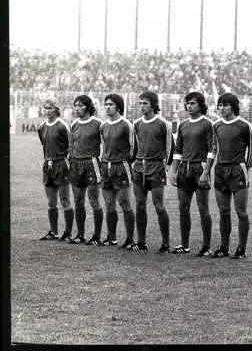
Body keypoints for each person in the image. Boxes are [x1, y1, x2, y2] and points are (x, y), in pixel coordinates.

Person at [204, 93, 252, 259]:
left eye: (225, 105)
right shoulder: (216, 125)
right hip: (220, 170)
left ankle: (241, 248)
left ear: (233, 107)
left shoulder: (245, 125)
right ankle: (224, 247)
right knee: (223, 210)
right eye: (220, 105)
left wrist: (244, 166)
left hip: (237, 171)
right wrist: (206, 171)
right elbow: (213, 149)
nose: (222, 108)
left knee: (241, 211)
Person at [170, 92, 214, 257]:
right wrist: (174, 171)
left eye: (193, 103)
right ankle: (185, 244)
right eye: (188, 103)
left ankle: (206, 246)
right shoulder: (183, 124)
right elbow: (178, 150)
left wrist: (206, 172)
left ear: (200, 105)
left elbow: (212, 150)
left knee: (203, 208)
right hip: (184, 169)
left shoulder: (207, 124)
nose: (189, 106)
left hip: (199, 169)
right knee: (183, 208)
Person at [131, 91, 175, 252]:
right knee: (140, 205)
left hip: (156, 167)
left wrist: (167, 167)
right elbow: (133, 146)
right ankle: (141, 242)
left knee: (159, 206)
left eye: (145, 103)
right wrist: (133, 163)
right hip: (139, 168)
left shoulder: (163, 124)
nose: (142, 106)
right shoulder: (136, 124)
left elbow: (170, 147)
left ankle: (165, 243)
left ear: (153, 105)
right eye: (140, 103)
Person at [99, 94, 136, 248]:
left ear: (118, 107)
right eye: (106, 104)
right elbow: (103, 146)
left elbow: (133, 148)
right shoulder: (103, 126)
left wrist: (125, 163)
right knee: (109, 204)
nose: (107, 107)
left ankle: (130, 239)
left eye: (111, 105)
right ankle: (111, 238)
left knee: (124, 202)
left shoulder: (127, 125)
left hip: (121, 167)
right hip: (106, 167)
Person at [68, 95, 104, 245]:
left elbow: (106, 145)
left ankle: (96, 236)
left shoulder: (98, 124)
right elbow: (71, 146)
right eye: (75, 105)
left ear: (88, 107)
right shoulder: (74, 124)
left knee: (94, 199)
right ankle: (80, 234)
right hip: (76, 164)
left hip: (91, 164)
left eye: (81, 105)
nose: (77, 108)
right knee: (78, 200)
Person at [37, 96, 74, 241]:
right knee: (51, 202)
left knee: (65, 200)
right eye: (45, 108)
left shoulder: (62, 126)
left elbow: (71, 146)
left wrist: (67, 163)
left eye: (50, 108)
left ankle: (68, 232)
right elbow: (43, 144)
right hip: (48, 165)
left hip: (61, 165)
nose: (47, 111)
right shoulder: (41, 127)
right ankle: (53, 232)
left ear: (56, 109)